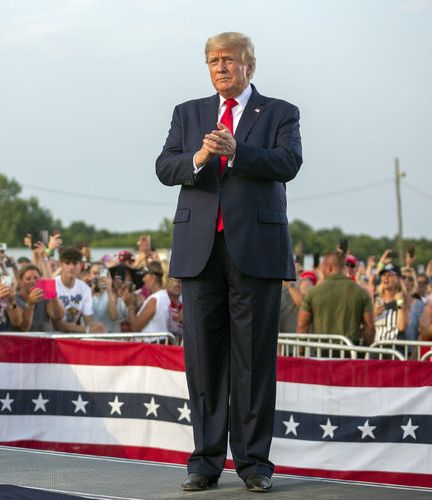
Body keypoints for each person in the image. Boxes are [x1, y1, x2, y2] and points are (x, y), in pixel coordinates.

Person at [155, 32, 302, 493]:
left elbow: (289, 162)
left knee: (253, 361)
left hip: (255, 250)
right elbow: (164, 167)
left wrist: (239, 152)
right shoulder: (188, 113)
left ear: (249, 67)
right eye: (213, 61)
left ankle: (255, 463)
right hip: (200, 251)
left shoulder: (280, 112)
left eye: (230, 61)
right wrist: (199, 156)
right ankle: (204, 461)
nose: (221, 68)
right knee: (202, 361)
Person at [297, 252, 374, 344]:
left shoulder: (312, 293)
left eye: (322, 267)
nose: (321, 270)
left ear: (329, 267)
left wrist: (301, 352)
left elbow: (302, 326)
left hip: (322, 351)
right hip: (351, 352)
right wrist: (365, 350)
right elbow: (370, 326)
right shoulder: (362, 292)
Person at [52, 247, 106, 333]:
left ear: (80, 265)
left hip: (71, 337)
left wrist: (97, 327)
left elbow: (88, 321)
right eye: (67, 263)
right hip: (50, 337)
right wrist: (88, 330)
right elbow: (57, 324)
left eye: (75, 263)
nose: (71, 267)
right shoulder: (52, 284)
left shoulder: (85, 288)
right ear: (60, 264)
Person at [123, 262, 170, 339]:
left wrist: (130, 305)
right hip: (157, 344)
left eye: (145, 275)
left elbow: (135, 327)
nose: (143, 279)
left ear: (153, 278)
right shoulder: (164, 295)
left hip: (151, 346)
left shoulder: (154, 299)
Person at [14, 264, 64, 332]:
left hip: (44, 339)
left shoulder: (45, 298)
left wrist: (54, 296)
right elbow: (23, 328)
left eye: (36, 278)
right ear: (21, 282)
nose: (32, 281)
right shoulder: (15, 300)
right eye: (28, 279)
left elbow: (58, 316)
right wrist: (30, 304)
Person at [372, 263, 410, 342]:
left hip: (395, 347)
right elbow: (367, 323)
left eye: (390, 275)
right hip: (377, 346)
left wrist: (400, 304)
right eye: (384, 275)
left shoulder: (404, 299)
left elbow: (402, 327)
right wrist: (373, 314)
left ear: (398, 279)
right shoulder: (376, 298)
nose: (386, 278)